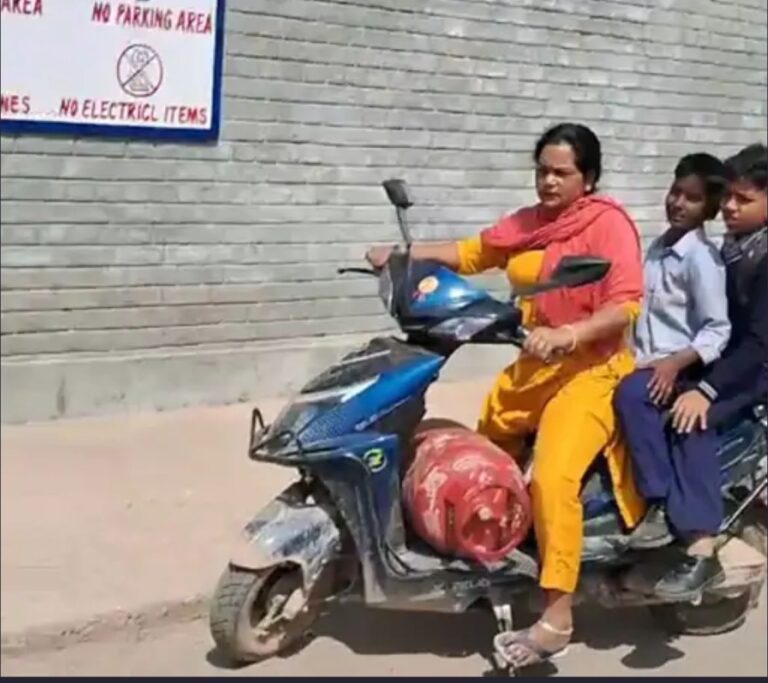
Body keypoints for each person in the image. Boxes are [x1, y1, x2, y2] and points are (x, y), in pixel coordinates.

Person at [366, 122, 646, 667]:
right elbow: (474, 252)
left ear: (588, 178)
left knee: (552, 477)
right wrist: (402, 255)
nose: (548, 181)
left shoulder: (608, 224)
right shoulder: (530, 222)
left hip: (593, 369)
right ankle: (498, 550)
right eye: (542, 171)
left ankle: (557, 615)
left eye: (561, 172)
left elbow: (626, 304)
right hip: (538, 363)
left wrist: (569, 334)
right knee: (486, 448)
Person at [618, 143, 767, 600]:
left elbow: (758, 342)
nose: (730, 207)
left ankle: (701, 548)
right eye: (729, 197)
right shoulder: (735, 247)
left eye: (744, 200)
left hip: (755, 370)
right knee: (637, 394)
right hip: (722, 359)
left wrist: (705, 389)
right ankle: (657, 503)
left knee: (690, 419)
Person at [614, 153, 731, 557]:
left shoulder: (702, 259)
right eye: (676, 192)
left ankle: (659, 501)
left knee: (633, 396)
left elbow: (717, 329)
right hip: (647, 362)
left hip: (682, 367)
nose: (678, 203)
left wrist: (674, 363)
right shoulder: (658, 247)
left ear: (709, 209)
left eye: (692, 198)